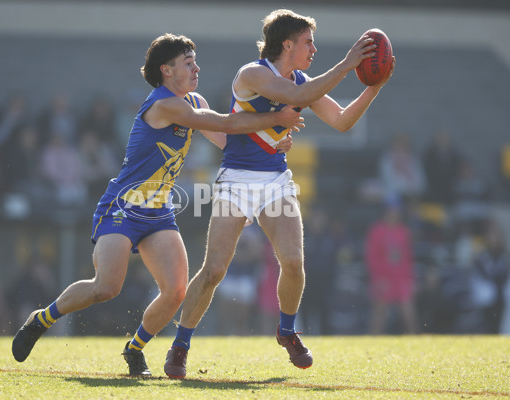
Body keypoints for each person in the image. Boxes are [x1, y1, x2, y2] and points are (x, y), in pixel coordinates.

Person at [11, 33, 303, 377]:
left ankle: (134, 349)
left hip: (158, 210)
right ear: (166, 70)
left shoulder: (193, 99)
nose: (197, 68)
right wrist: (274, 120)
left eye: (195, 61)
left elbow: (229, 142)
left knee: (176, 290)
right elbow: (226, 123)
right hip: (123, 206)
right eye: (188, 63)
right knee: (106, 287)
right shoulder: (166, 104)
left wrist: (271, 145)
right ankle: (41, 319)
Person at [164, 9, 395, 378]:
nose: (313, 49)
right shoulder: (253, 74)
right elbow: (300, 94)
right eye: (308, 42)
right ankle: (180, 344)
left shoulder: (304, 80)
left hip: (275, 181)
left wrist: (374, 85)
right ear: (286, 44)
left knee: (293, 262)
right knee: (214, 271)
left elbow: (342, 121)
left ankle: (287, 331)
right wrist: (349, 64)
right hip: (236, 180)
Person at [365, 196, 419, 334]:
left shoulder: (403, 231)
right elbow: (372, 257)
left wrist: (410, 279)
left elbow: (407, 258)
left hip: (401, 278)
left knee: (408, 314)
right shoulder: (377, 231)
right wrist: (378, 278)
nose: (393, 213)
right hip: (384, 278)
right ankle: (371, 347)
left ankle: (416, 345)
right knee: (379, 316)